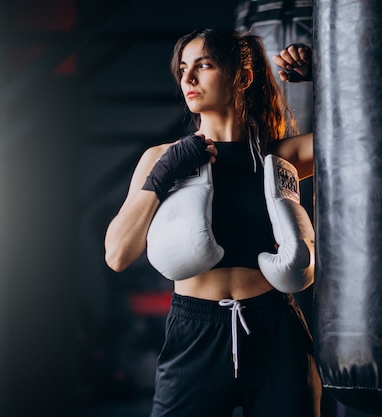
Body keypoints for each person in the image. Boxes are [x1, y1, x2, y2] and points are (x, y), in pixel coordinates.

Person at [104, 28, 318, 416]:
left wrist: (328, 77)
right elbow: (118, 254)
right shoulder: (161, 158)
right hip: (194, 334)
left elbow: (367, 136)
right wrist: (162, 175)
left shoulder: (281, 156)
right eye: (184, 68)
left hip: (275, 330)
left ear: (243, 78)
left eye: (203, 66)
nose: (188, 79)